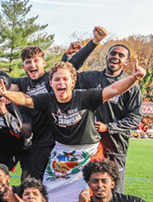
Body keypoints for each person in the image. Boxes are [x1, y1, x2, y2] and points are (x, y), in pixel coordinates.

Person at [0, 60, 146, 202]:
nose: (61, 82)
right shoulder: (47, 100)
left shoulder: (85, 96)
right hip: (62, 152)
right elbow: (25, 99)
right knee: (47, 195)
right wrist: (6, 93)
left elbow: (113, 89)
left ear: (73, 82)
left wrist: (133, 78)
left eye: (65, 79)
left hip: (89, 152)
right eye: (57, 79)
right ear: (51, 83)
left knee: (91, 197)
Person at [8, 27, 105, 180]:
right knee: (29, 181)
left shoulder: (52, 79)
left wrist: (94, 42)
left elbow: (71, 66)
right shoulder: (21, 82)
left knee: (62, 182)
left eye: (36, 61)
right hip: (36, 142)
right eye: (28, 62)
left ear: (43, 63)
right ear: (23, 66)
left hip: (57, 142)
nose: (32, 65)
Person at [76, 44, 142, 193]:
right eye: (113, 53)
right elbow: (68, 73)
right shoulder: (90, 78)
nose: (116, 57)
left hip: (115, 146)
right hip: (89, 144)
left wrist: (109, 127)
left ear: (126, 62)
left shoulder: (131, 86)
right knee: (88, 188)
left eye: (121, 56)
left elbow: (135, 118)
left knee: (115, 190)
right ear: (106, 56)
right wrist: (71, 55)